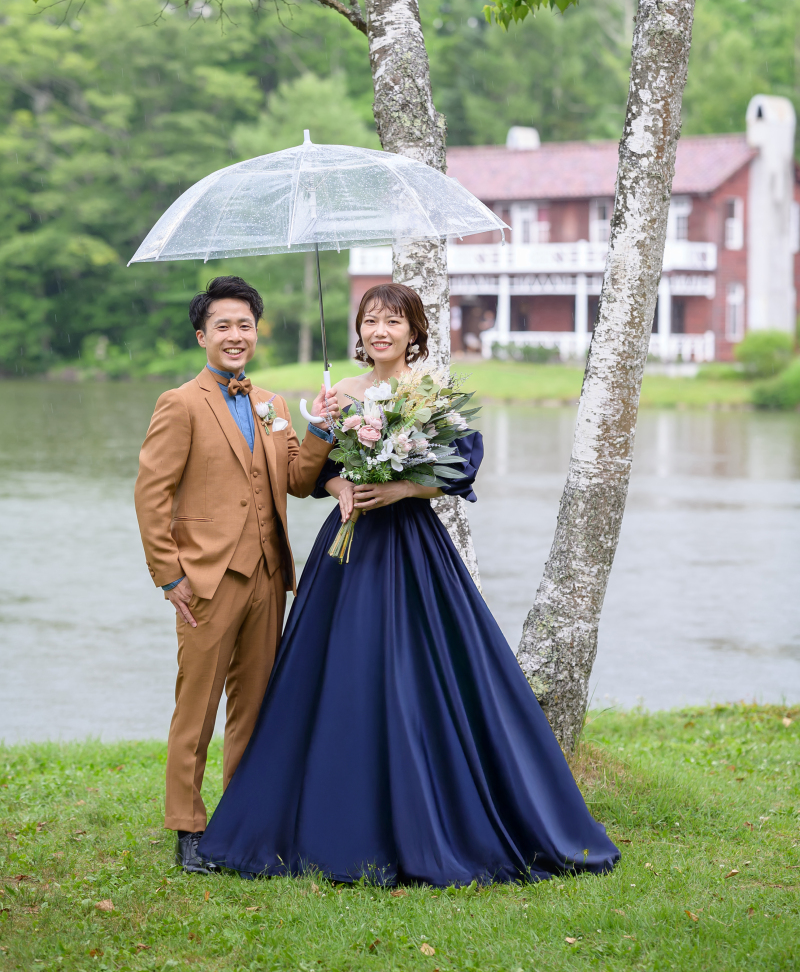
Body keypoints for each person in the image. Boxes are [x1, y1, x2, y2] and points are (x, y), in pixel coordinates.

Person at [199, 284, 619, 886]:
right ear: (360, 331)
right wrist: (337, 483)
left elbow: (461, 469)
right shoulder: (339, 394)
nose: (380, 330)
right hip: (347, 550)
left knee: (423, 671)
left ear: (413, 331)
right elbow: (311, 475)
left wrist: (400, 488)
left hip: (413, 548)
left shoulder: (432, 392)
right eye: (370, 320)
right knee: (340, 673)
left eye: (392, 321)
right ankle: (321, 812)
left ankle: (440, 808)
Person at [134, 275, 339, 874]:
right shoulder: (180, 403)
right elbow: (152, 494)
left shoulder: (272, 405)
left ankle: (244, 819)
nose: (235, 335)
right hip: (206, 579)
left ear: (256, 333)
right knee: (195, 705)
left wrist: (321, 429)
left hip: (270, 577)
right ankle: (187, 826)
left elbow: (299, 481)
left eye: (244, 325)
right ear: (202, 334)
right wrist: (168, 575)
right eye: (222, 325)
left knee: (254, 705)